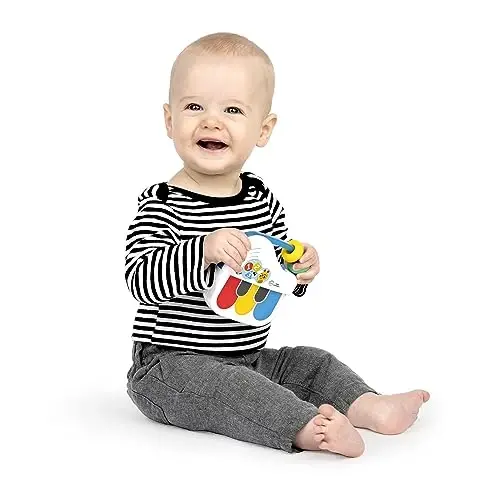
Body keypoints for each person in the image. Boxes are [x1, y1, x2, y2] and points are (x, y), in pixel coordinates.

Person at [124, 32, 430, 456]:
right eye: (194, 107)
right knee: (233, 389)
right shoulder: (162, 204)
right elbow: (140, 280)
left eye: (233, 110)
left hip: (249, 355)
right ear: (169, 120)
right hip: (171, 365)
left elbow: (273, 275)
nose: (211, 122)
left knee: (311, 362)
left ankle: (369, 406)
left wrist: (300, 270)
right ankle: (307, 429)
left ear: (263, 130)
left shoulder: (261, 201)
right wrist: (202, 250)